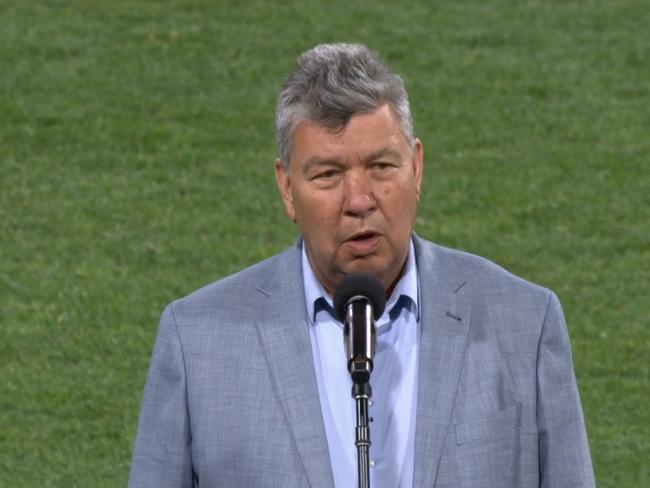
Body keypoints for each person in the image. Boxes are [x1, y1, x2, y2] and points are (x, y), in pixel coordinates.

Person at [129, 43, 595, 487]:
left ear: (417, 168)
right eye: (328, 174)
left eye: (381, 167)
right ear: (288, 188)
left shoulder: (526, 323)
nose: (359, 201)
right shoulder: (195, 342)